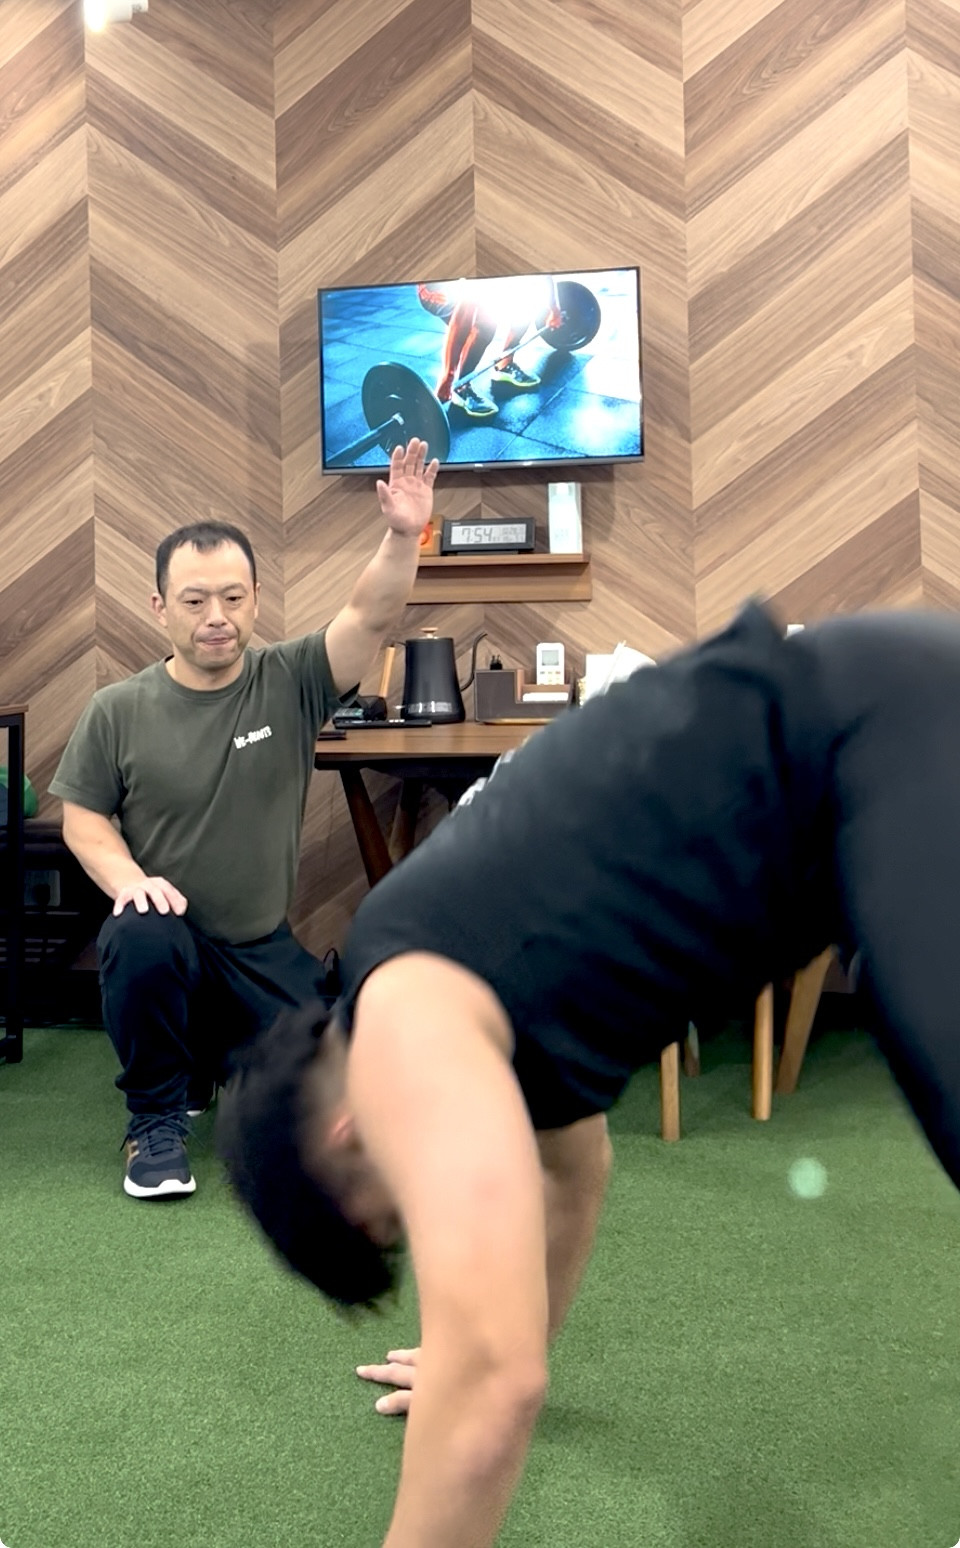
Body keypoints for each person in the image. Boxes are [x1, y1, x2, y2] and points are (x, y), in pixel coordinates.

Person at [216, 599, 960, 1548]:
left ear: (348, 1132)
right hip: (882, 734)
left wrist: (482, 1361)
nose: (435, 1218)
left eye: (394, 1215)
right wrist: (485, 1342)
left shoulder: (400, 1020)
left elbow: (496, 1386)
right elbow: (571, 1178)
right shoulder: (474, 1001)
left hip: (890, 733)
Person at [49, 439, 438, 1201]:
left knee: (335, 1095)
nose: (217, 618)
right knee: (138, 931)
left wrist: (402, 535)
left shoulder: (291, 679)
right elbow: (84, 816)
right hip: (169, 944)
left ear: (256, 598)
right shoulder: (116, 710)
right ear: (161, 608)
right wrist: (127, 880)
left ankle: (209, 1060)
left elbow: (370, 613)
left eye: (232, 598)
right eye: (195, 601)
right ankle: (155, 1121)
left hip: (262, 951)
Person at [417, 276, 564, 418]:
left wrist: (555, 310)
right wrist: (448, 377)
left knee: (525, 302)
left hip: (475, 284)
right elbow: (463, 317)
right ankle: (461, 388)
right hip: (437, 290)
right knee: (485, 326)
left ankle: (504, 364)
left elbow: (544, 276)